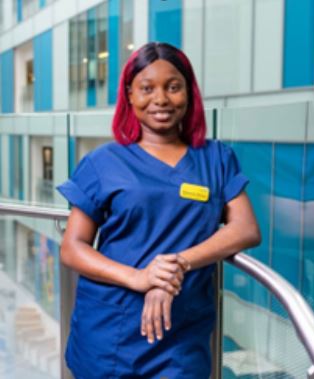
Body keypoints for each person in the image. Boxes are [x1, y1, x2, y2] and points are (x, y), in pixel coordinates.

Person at [57, 42, 261, 379]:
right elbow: (72, 247)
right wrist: (140, 277)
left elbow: (246, 229)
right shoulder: (102, 162)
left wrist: (176, 265)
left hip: (180, 333)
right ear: (130, 95)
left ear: (189, 92)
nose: (161, 100)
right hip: (111, 330)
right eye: (147, 88)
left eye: (173, 87)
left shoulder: (216, 159)